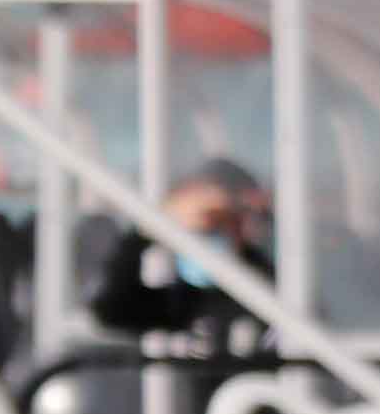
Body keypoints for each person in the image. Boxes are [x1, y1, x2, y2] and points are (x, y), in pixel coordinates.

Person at [87, 158, 277, 373]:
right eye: (204, 225)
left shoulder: (260, 290)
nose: (209, 235)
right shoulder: (178, 301)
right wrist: (152, 226)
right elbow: (108, 308)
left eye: (223, 220)